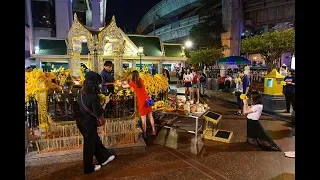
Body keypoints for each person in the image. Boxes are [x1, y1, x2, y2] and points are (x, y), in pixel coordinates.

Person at [77, 71, 115, 174]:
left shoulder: (81, 92)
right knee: (89, 145)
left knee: (94, 140)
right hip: (88, 123)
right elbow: (98, 113)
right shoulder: (93, 96)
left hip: (81, 121)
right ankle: (88, 169)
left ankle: (104, 158)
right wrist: (105, 104)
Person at [123, 70, 156, 138]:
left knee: (143, 119)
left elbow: (124, 86)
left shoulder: (133, 83)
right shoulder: (141, 80)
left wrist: (121, 83)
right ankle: (153, 131)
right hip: (147, 100)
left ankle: (144, 134)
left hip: (142, 102)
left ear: (132, 76)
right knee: (150, 116)